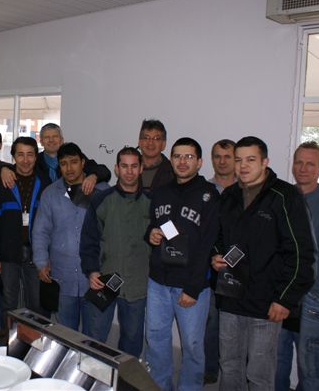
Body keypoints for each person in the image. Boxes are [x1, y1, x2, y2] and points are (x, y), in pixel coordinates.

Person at [211, 136, 315, 390]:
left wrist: (285, 299)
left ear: (265, 162)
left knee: (259, 373)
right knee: (229, 365)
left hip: (266, 303)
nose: (243, 166)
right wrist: (215, 256)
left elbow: (302, 253)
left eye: (250, 159)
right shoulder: (229, 196)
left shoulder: (285, 196)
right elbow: (217, 238)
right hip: (230, 297)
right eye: (238, 160)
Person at [145, 137, 220, 391]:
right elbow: (152, 226)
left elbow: (209, 244)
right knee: (155, 339)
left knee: (192, 345)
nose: (182, 161)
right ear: (171, 160)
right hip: (158, 282)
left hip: (190, 285)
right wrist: (151, 234)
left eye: (189, 156)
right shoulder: (161, 192)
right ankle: (159, 386)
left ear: (199, 162)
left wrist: (193, 287)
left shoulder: (209, 195)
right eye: (177, 156)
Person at [275, 141, 319, 391]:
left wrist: (295, 288)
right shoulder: (281, 198)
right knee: (277, 360)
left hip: (312, 296)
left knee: (310, 364)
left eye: (310, 164)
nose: (303, 168)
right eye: (299, 162)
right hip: (279, 294)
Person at [80, 147, 151, 357]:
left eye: (134, 166)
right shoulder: (101, 200)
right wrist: (91, 270)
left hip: (138, 283)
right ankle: (92, 373)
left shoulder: (152, 202)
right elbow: (89, 240)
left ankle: (125, 376)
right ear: (116, 168)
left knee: (132, 339)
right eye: (124, 166)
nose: (129, 171)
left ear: (141, 169)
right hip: (104, 279)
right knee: (95, 337)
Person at [33, 142, 108, 334]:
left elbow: (112, 232)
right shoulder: (50, 194)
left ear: (83, 162)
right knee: (65, 333)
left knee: (95, 335)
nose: (69, 168)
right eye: (64, 163)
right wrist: (41, 261)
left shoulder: (102, 191)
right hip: (61, 275)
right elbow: (41, 231)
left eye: (74, 162)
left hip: (95, 276)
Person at [0, 137, 51, 326]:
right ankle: (9, 340)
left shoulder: (45, 183)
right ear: (13, 156)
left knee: (37, 304)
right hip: (7, 254)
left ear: (36, 157)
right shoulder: (2, 182)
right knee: (8, 303)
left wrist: (49, 256)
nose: (25, 160)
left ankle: (35, 340)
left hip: (36, 254)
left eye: (30, 154)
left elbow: (51, 224)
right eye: (20, 154)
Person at [204, 138, 237, 384]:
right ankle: (210, 369)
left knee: (237, 326)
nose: (222, 161)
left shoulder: (246, 189)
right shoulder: (204, 190)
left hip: (240, 270)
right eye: (217, 156)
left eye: (227, 156)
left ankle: (234, 374)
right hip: (210, 269)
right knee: (211, 322)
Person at [0, 123, 111, 195]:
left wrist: (93, 176)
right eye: (47, 137)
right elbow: (17, 168)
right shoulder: (34, 160)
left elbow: (104, 171)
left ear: (62, 140)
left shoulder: (73, 157)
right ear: (41, 141)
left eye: (55, 137)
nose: (51, 140)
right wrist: (3, 169)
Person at [138, 119, 174, 193]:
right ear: (139, 143)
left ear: (163, 144)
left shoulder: (173, 171)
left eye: (156, 138)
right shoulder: (129, 169)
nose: (150, 142)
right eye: (146, 138)